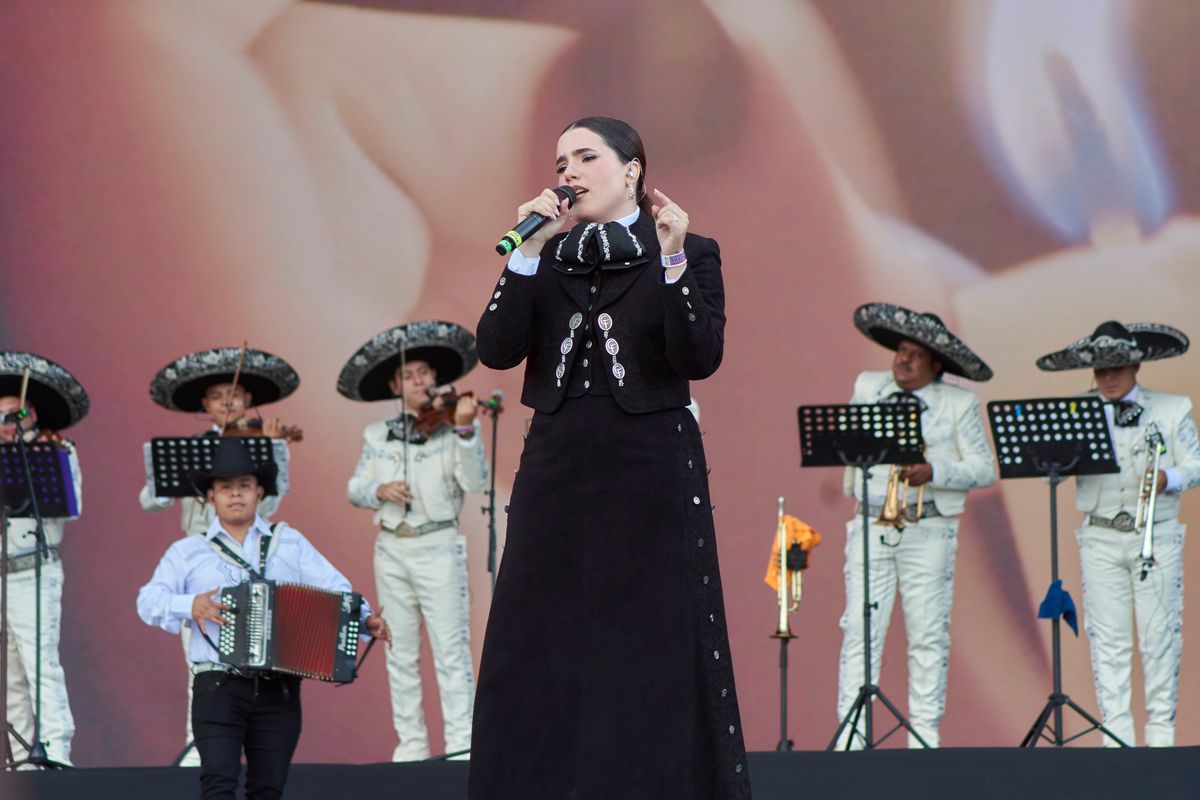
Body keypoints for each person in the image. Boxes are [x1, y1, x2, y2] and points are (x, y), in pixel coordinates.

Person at [469, 116, 748, 799]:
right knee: (535, 637)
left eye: (586, 157)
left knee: (648, 641)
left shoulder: (690, 249)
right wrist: (525, 253)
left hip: (648, 465)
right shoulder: (548, 256)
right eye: (562, 159)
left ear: (632, 171)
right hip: (558, 465)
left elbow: (698, 357)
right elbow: (497, 349)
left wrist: (675, 261)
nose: (568, 171)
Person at [137, 437, 391, 798]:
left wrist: (364, 620)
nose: (235, 494)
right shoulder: (188, 551)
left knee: (268, 790)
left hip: (279, 689)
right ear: (211, 497)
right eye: (226, 487)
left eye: (244, 486)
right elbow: (148, 600)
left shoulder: (289, 541)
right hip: (217, 686)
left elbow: (337, 589)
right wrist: (190, 605)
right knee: (218, 785)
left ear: (259, 492)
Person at [835, 303, 996, 749]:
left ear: (936, 364)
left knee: (927, 633)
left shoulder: (958, 403)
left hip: (928, 529)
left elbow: (984, 468)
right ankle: (852, 737)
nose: (903, 360)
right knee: (859, 629)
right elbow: (845, 445)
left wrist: (935, 470)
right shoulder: (869, 387)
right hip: (871, 524)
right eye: (900, 351)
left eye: (915, 355)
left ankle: (923, 739)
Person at [1036, 320, 1200, 747]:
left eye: (1117, 368)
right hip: (1101, 534)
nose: (1108, 378)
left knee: (1159, 635)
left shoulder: (1172, 407)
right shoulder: (1076, 409)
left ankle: (1161, 738)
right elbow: (1046, 470)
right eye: (1100, 370)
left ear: (1136, 365)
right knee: (1107, 639)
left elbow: (1197, 465)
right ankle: (1117, 739)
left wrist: (1169, 477)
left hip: (1157, 533)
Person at [139, 346, 300, 766]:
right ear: (204, 406)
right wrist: (185, 478)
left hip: (247, 560)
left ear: (250, 402)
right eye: (217, 396)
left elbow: (271, 509)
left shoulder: (260, 449)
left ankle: (254, 744)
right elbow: (148, 501)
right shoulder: (190, 450)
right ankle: (200, 748)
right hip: (199, 559)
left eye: (237, 394)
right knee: (202, 662)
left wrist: (278, 447)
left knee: (255, 659)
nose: (228, 402)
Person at [340, 320, 487, 761]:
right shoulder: (376, 435)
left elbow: (477, 480)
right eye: (409, 374)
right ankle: (412, 746)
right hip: (391, 547)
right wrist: (377, 491)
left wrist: (465, 431)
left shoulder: (452, 427)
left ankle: (462, 746)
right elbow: (353, 488)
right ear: (394, 384)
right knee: (399, 651)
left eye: (425, 372)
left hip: (438, 546)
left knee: (450, 649)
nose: (420, 380)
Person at [0, 352, 88, 767]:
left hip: (33, 569)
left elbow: (71, 508)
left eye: (13, 415)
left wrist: (36, 459)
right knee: (9, 675)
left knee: (41, 665)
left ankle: (56, 752)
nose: (5, 424)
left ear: (31, 415)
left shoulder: (57, 450)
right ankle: (21, 758)